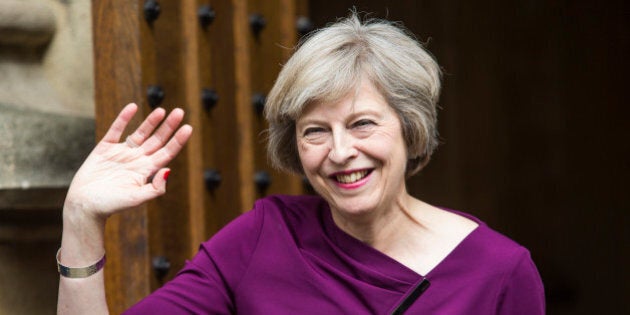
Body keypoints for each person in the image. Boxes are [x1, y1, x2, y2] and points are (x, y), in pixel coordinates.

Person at [57, 14, 545, 314]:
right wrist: (81, 218)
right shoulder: (263, 238)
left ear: (409, 126)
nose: (339, 151)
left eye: (362, 124)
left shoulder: (499, 271)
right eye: (315, 131)